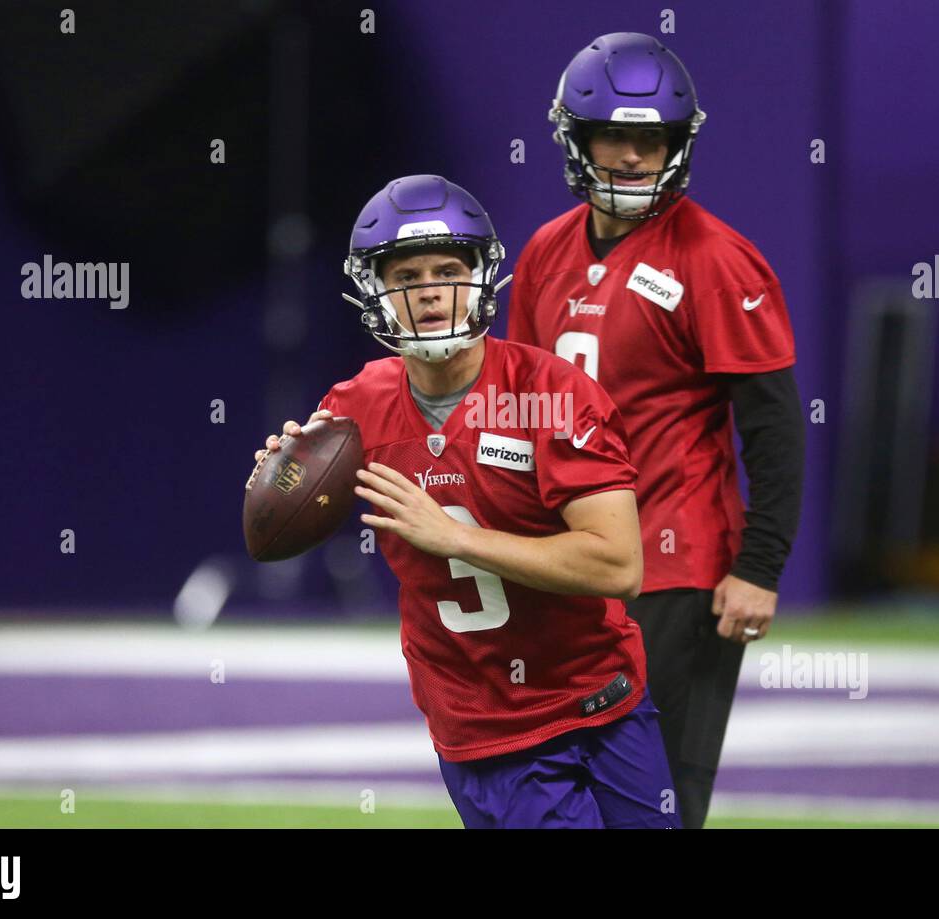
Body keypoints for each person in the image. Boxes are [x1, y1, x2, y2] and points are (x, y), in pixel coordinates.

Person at [251, 174, 678, 828]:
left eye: (448, 270)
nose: (428, 291)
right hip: (493, 729)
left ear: (482, 275)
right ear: (375, 291)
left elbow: (619, 565)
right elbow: (274, 525)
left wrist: (458, 537)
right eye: (407, 275)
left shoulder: (552, 395)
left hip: (609, 697)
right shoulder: (351, 412)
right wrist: (281, 479)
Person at [506, 33, 807, 829]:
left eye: (653, 140)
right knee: (566, 792)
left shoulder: (715, 258)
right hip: (573, 567)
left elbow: (773, 428)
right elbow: (521, 415)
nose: (636, 157)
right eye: (617, 136)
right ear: (578, 137)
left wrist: (760, 565)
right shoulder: (543, 253)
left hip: (679, 566)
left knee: (662, 800)